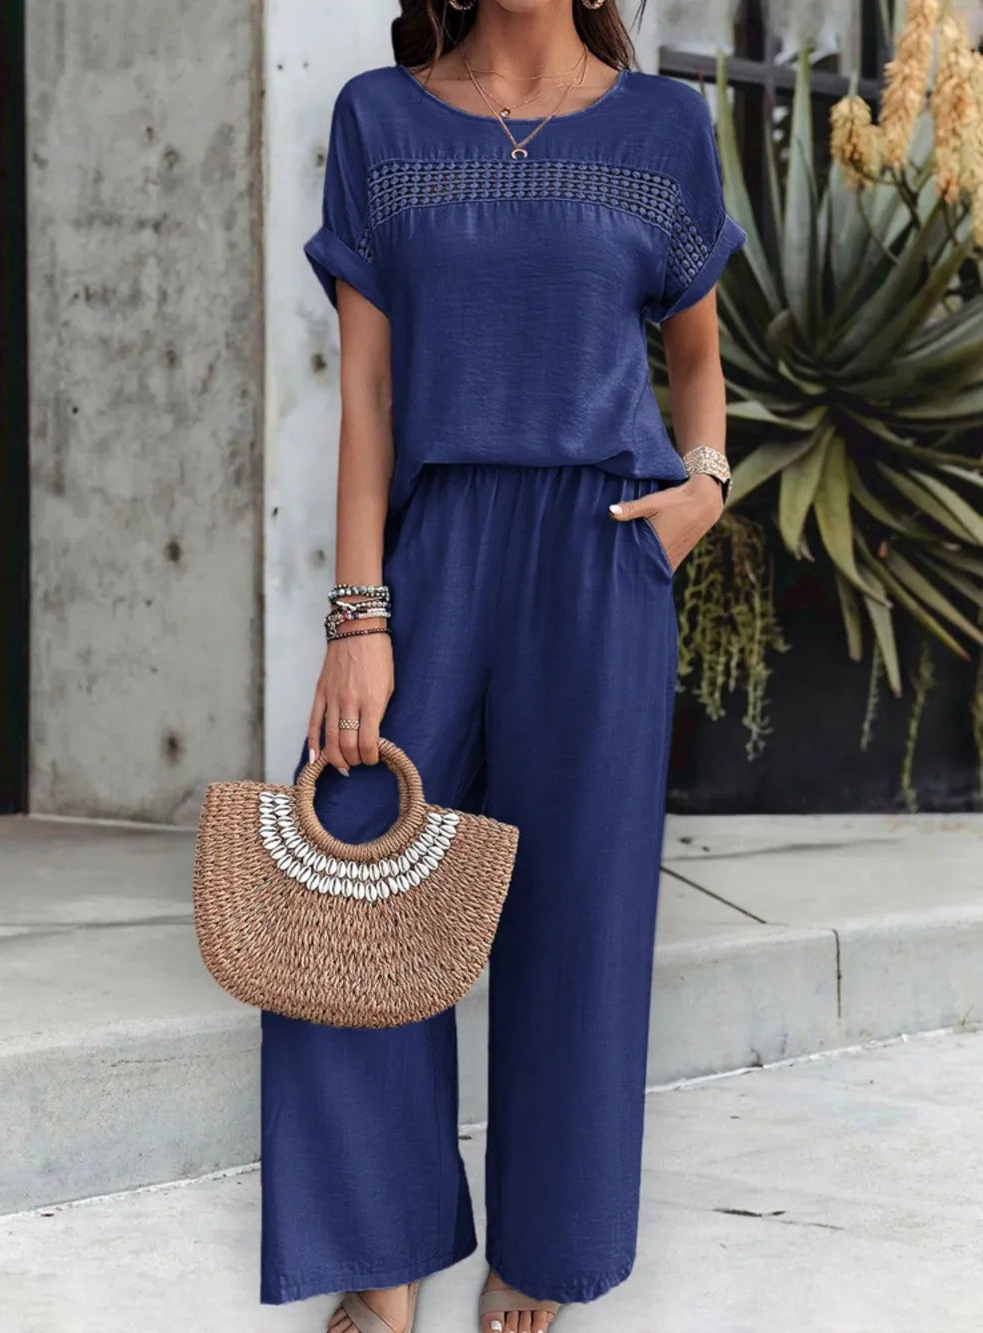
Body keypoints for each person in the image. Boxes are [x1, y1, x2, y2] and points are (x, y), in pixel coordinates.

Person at [260, 1, 745, 1330]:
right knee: (352, 882)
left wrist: (705, 486)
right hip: (434, 553)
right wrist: (358, 615)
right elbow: (367, 390)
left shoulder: (664, 129)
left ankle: (544, 1248)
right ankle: (381, 1249)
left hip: (602, 550)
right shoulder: (383, 119)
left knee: (581, 918)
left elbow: (699, 356)